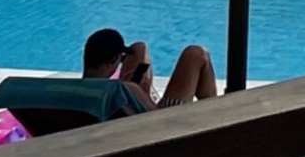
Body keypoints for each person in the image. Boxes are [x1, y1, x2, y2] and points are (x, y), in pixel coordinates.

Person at [82, 26, 215, 110]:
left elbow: (138, 48)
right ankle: (215, 113)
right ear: (113, 60)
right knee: (196, 54)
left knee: (140, 48)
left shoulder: (73, 90)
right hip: (159, 125)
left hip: (121, 117)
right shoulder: (126, 89)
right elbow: (153, 115)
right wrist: (144, 92)